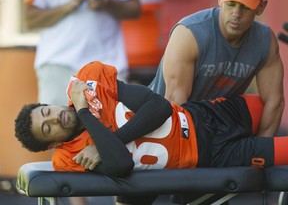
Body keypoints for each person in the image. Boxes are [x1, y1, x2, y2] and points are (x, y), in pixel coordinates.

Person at [15, 61, 287, 204]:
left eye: (45, 112)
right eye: (47, 128)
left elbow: (160, 107)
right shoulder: (70, 157)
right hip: (209, 155)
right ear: (52, 144)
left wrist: (107, 139)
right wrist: (85, 113)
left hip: (205, 116)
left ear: (48, 104)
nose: (53, 118)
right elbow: (120, 164)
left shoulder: (89, 82)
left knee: (272, 101)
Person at [149, 0, 285, 138]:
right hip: (162, 125)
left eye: (246, 7)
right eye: (231, 4)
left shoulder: (265, 41)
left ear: (261, 7)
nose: (236, 14)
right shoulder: (190, 33)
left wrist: (260, 152)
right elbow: (175, 103)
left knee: (257, 107)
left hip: (216, 127)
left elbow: (274, 101)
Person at [24, 0, 141, 106]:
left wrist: (108, 4)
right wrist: (67, 7)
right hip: (57, 64)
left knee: (114, 122)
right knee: (56, 121)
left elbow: (135, 9)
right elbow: (30, 19)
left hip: (106, 65)